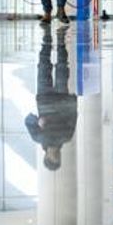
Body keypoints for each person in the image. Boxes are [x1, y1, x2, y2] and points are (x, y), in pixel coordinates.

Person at [24, 27, 78, 170]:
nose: (57, 156)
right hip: (61, 97)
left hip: (45, 99)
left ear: (46, 156)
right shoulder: (66, 137)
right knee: (62, 65)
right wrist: (73, 101)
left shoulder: (38, 137)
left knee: (43, 65)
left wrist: (37, 121)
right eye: (58, 159)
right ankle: (60, 39)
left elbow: (28, 119)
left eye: (54, 159)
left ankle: (47, 37)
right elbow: (73, 116)